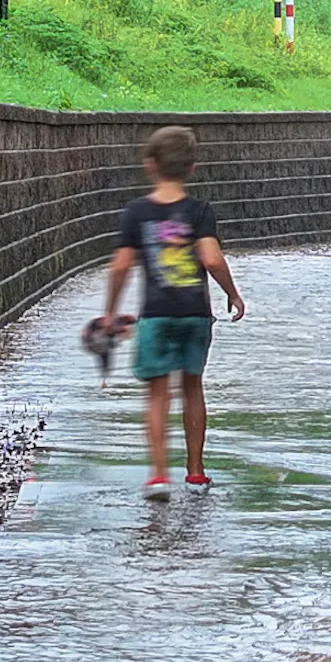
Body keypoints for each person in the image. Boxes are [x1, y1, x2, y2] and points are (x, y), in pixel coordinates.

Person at [103, 124, 247, 493]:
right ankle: (196, 470)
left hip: (157, 314)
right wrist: (232, 293)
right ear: (192, 168)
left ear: (150, 165)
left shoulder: (137, 213)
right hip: (195, 314)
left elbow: (120, 266)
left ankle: (159, 474)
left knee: (157, 394)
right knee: (193, 388)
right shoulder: (199, 211)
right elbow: (212, 260)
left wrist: (110, 311)